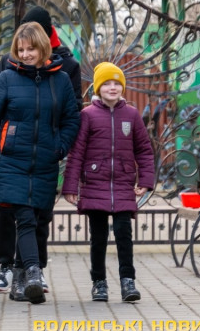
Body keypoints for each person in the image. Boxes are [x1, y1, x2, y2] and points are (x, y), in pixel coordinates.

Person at [0, 22, 80, 304]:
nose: (26, 54)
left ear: (43, 47)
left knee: (38, 218)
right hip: (12, 161)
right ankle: (33, 272)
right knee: (25, 217)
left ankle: (19, 280)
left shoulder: (61, 80)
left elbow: (71, 119)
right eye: (21, 49)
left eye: (31, 48)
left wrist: (59, 147)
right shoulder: (7, 78)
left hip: (45, 161)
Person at [62, 62, 155, 303]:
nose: (112, 88)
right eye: (106, 84)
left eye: (116, 83)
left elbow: (144, 150)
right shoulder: (87, 115)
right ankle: (99, 283)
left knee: (124, 234)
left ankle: (128, 281)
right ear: (98, 88)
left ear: (122, 87)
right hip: (95, 184)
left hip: (123, 184)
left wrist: (145, 180)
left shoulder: (131, 115)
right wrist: (70, 186)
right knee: (98, 237)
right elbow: (77, 153)